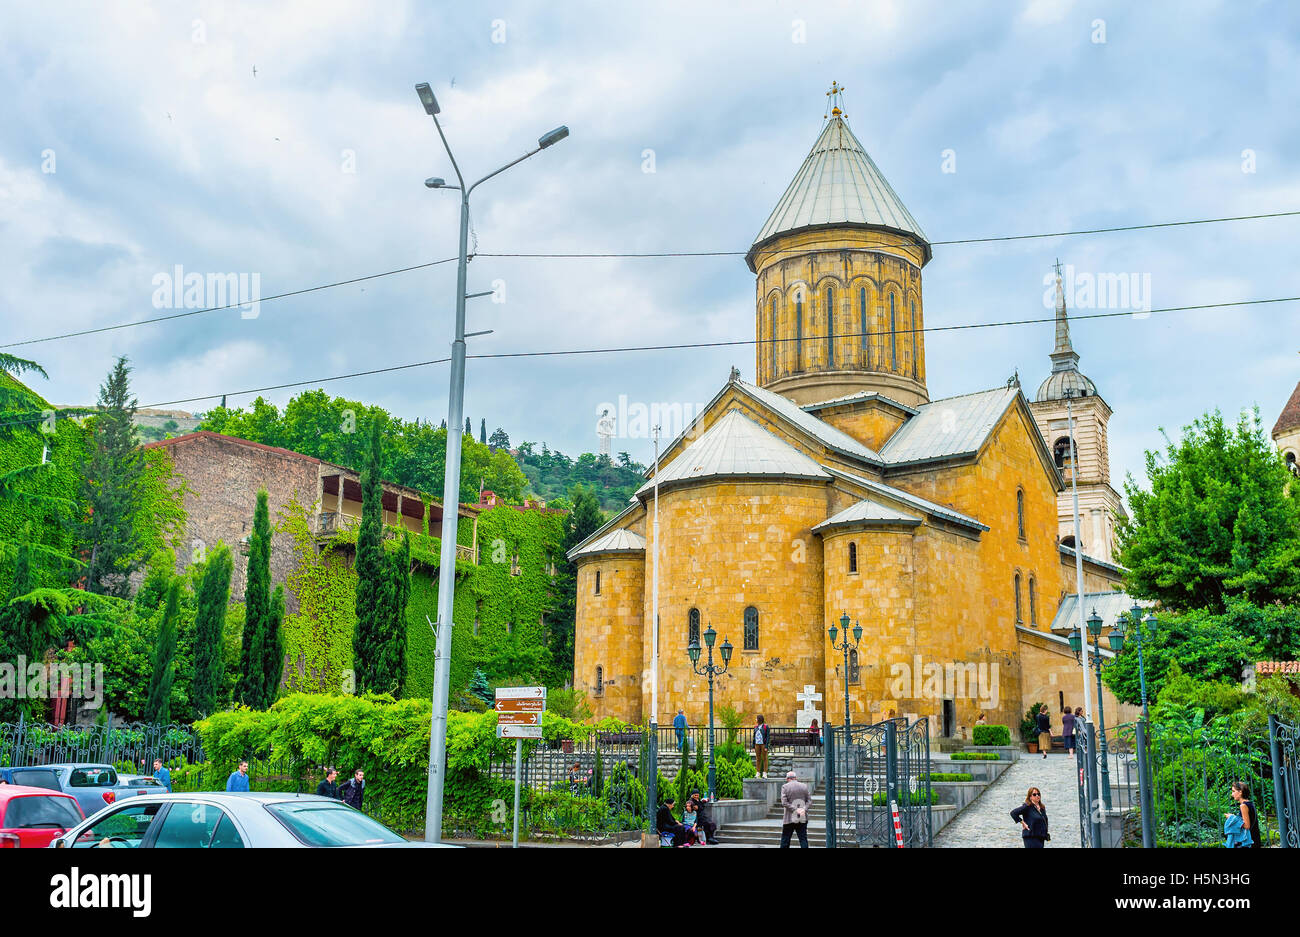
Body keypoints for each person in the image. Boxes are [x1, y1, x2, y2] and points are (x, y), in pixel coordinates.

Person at [780, 770, 812, 848]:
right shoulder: (804, 786)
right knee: (803, 839)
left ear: (787, 779)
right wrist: (803, 809)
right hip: (802, 817)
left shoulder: (785, 787)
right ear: (795, 778)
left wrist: (795, 809)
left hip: (789, 818)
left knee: (785, 840)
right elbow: (809, 801)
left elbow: (784, 802)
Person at [1228, 781, 1262, 848]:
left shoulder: (1243, 806)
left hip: (1249, 841)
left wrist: (1232, 817)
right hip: (1255, 838)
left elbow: (1247, 826)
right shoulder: (1250, 803)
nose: (1232, 794)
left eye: (1233, 791)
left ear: (1240, 792)